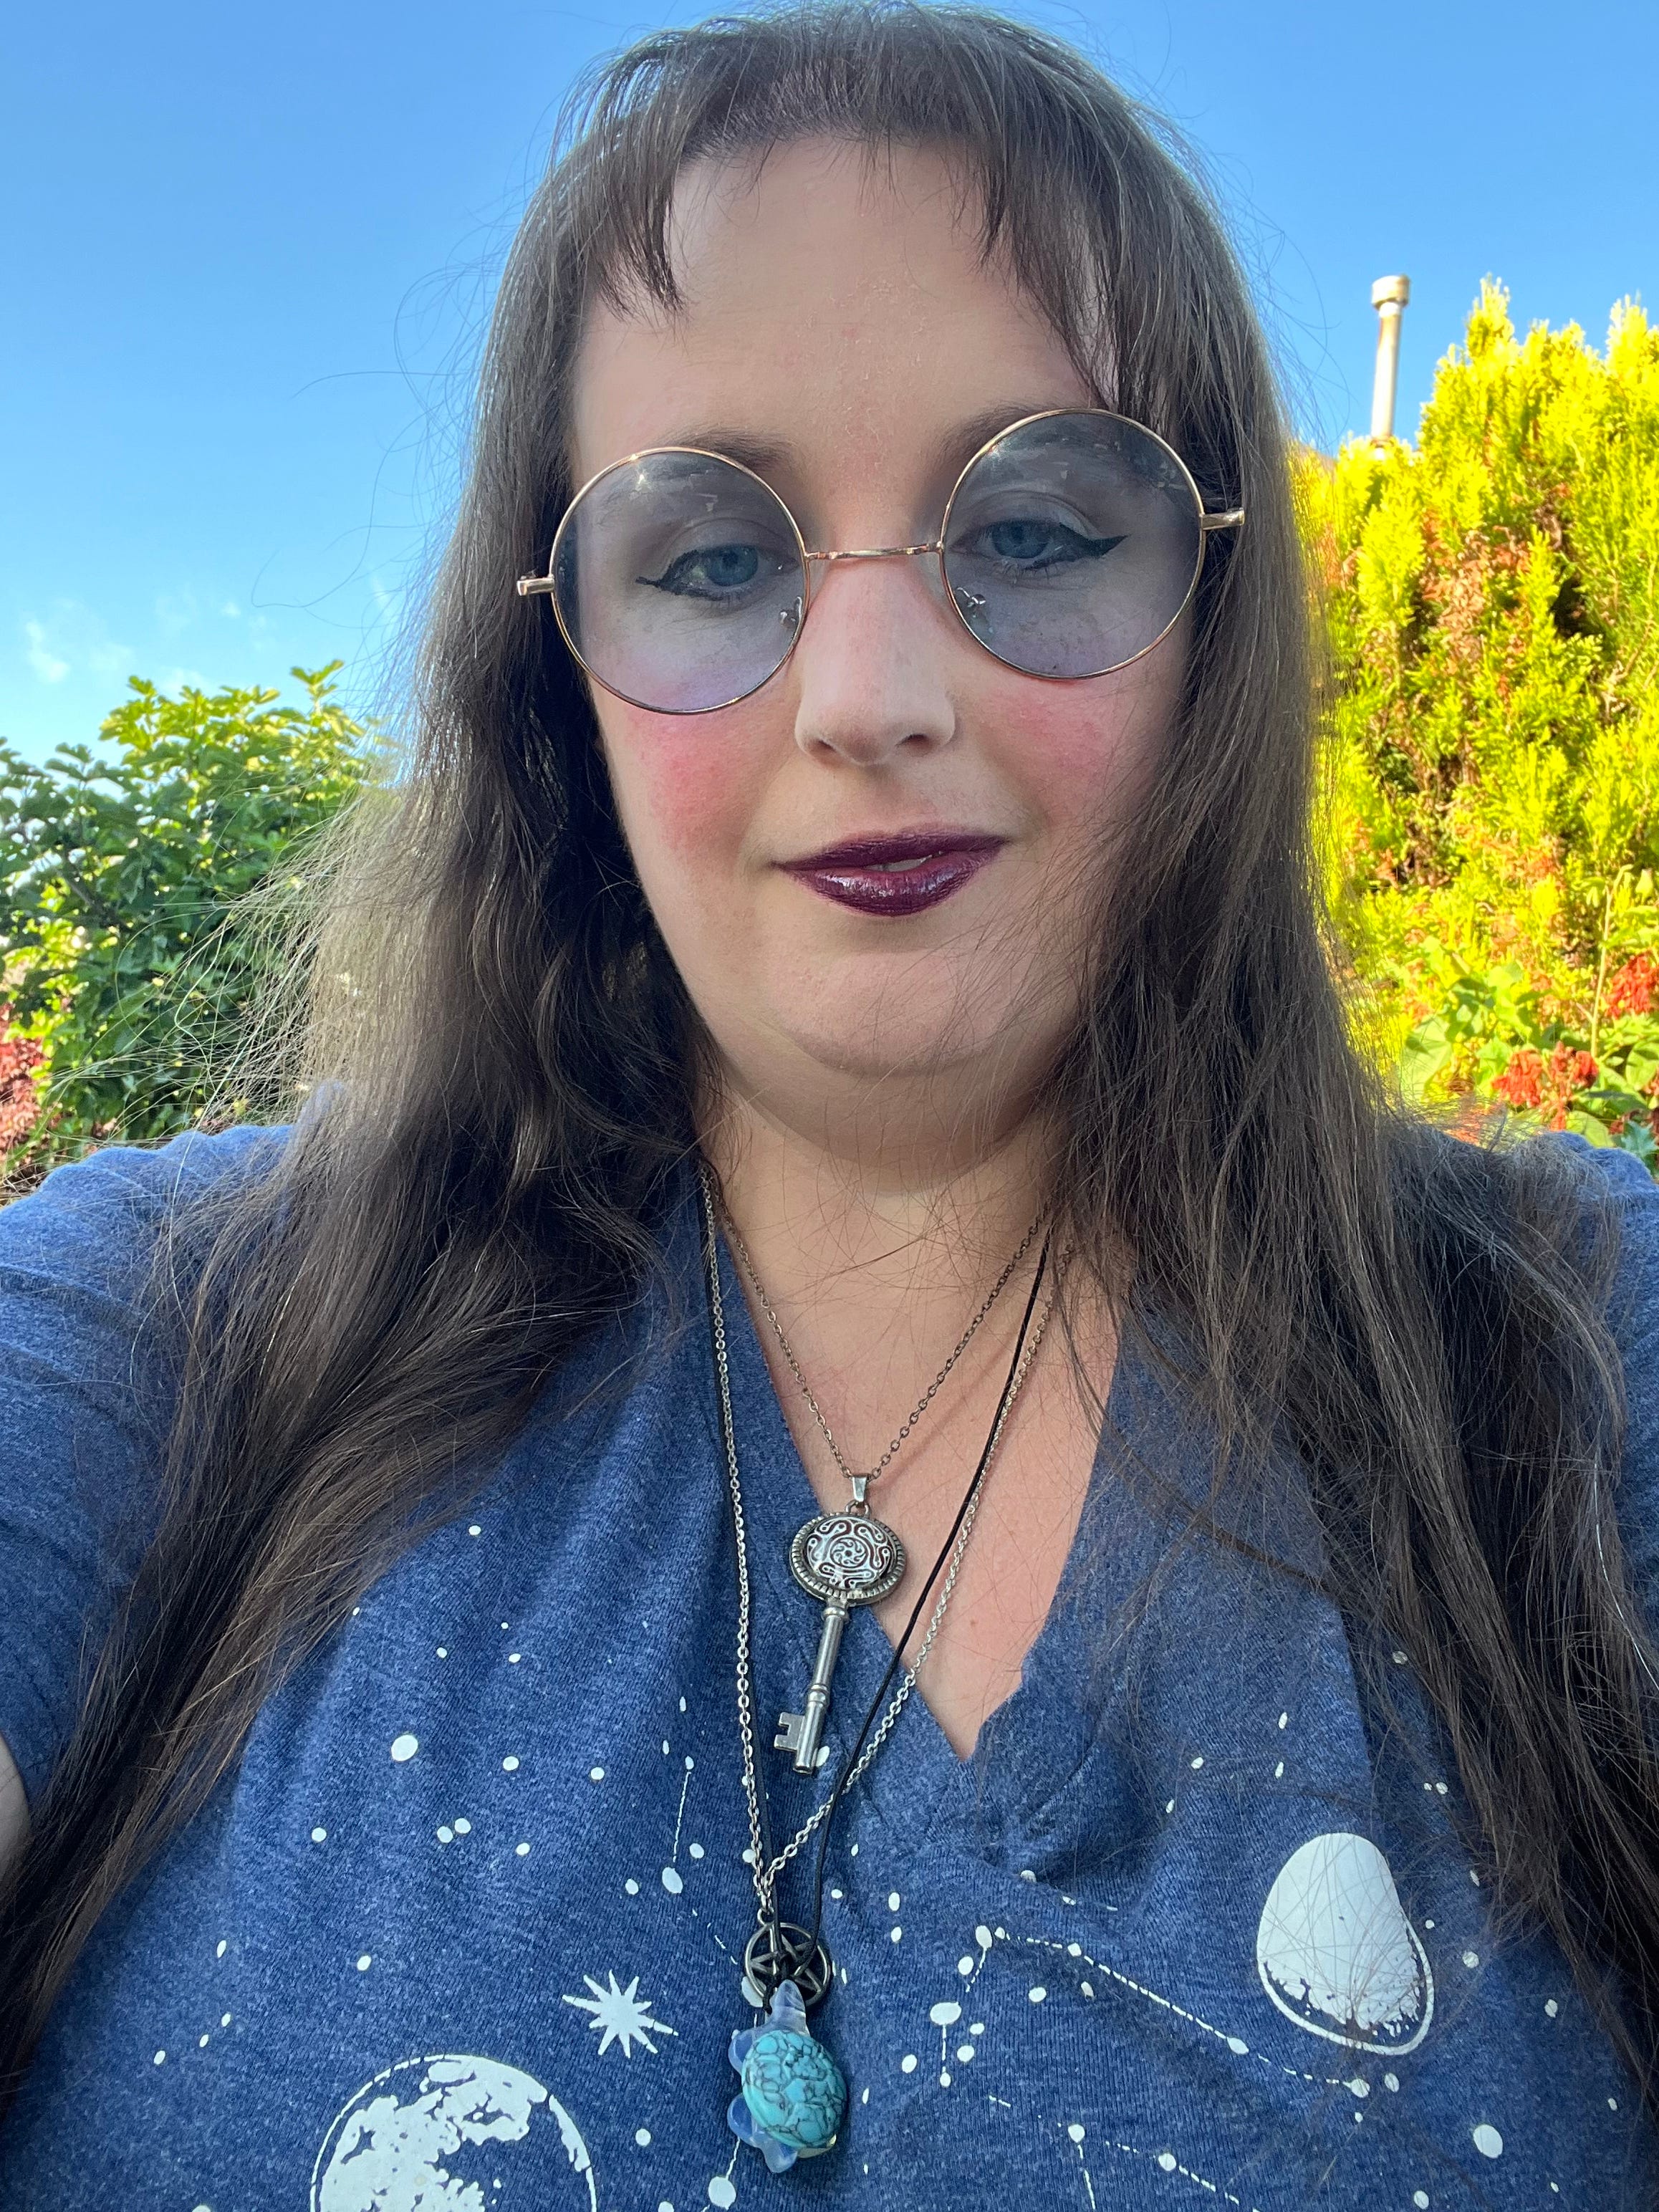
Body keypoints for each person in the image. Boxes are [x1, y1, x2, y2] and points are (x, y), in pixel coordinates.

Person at [1, 4, 1657, 2203]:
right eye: (710, 558)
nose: (869, 699)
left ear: (1211, 618)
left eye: (1036, 530)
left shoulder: (1576, 1365)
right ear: (556, 672)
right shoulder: (172, 1335)